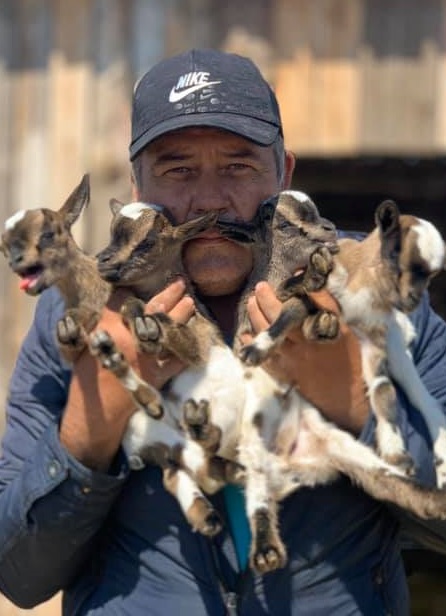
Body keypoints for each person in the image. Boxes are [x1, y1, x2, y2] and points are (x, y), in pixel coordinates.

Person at [0, 48, 445, 616]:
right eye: (177, 170)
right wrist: (97, 417)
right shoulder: (81, 321)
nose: (209, 199)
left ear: (284, 173)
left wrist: (353, 402)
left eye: (238, 166)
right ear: (137, 187)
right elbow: (18, 574)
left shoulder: (374, 296)